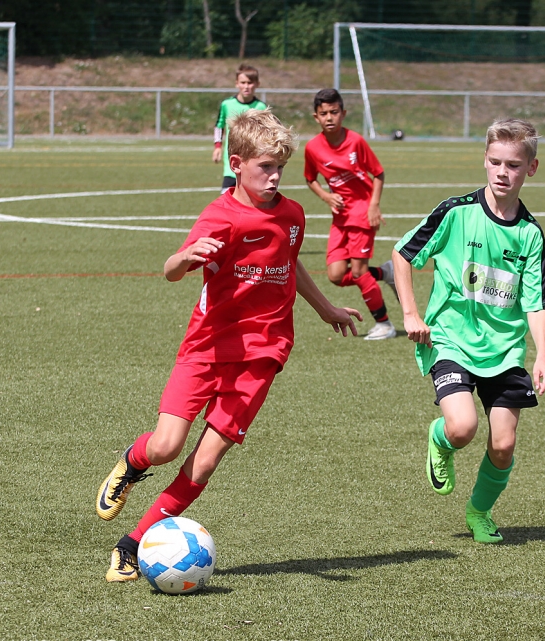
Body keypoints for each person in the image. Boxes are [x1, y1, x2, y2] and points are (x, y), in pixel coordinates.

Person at [96, 109, 362, 582]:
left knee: (203, 464)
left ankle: (131, 544)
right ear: (236, 164)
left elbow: (290, 261)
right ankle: (133, 463)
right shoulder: (220, 216)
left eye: (280, 167)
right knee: (167, 446)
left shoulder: (292, 214)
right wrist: (184, 256)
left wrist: (325, 308)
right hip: (207, 348)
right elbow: (172, 271)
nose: (275, 176)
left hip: (263, 354)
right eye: (266, 167)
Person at [391, 118, 545, 544]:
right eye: (495, 162)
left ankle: (479, 512)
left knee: (503, 444)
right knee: (462, 428)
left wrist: (542, 354)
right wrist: (410, 313)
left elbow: (535, 301)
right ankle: (440, 438)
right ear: (484, 160)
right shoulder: (456, 212)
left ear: (531, 168)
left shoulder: (530, 234)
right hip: (450, 339)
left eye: (513, 165)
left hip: (504, 350)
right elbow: (402, 255)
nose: (502, 172)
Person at [304, 88, 396, 341]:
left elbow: (378, 173)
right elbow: (310, 179)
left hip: (362, 213)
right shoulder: (313, 148)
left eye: (334, 112)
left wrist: (374, 205)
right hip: (340, 218)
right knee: (335, 275)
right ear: (316, 117)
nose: (329, 117)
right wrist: (326, 196)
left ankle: (384, 324)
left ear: (343, 114)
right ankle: (385, 273)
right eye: (324, 113)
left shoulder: (355, 141)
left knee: (358, 272)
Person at [213, 64, 266, 192]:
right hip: (231, 163)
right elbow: (219, 126)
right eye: (243, 82)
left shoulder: (261, 107)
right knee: (226, 197)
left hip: (252, 161)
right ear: (237, 83)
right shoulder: (227, 105)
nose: (246, 86)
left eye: (250, 83)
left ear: (257, 84)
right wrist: (218, 146)